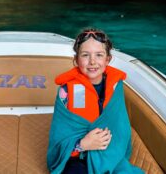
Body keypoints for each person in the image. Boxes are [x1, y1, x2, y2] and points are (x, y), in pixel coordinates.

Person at [47, 28, 144, 174]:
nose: (92, 61)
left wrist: (104, 144)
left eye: (99, 55)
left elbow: (120, 128)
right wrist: (82, 145)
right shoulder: (67, 91)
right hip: (77, 156)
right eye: (85, 55)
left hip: (109, 153)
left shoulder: (115, 86)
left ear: (108, 59)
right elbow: (59, 140)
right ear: (76, 60)